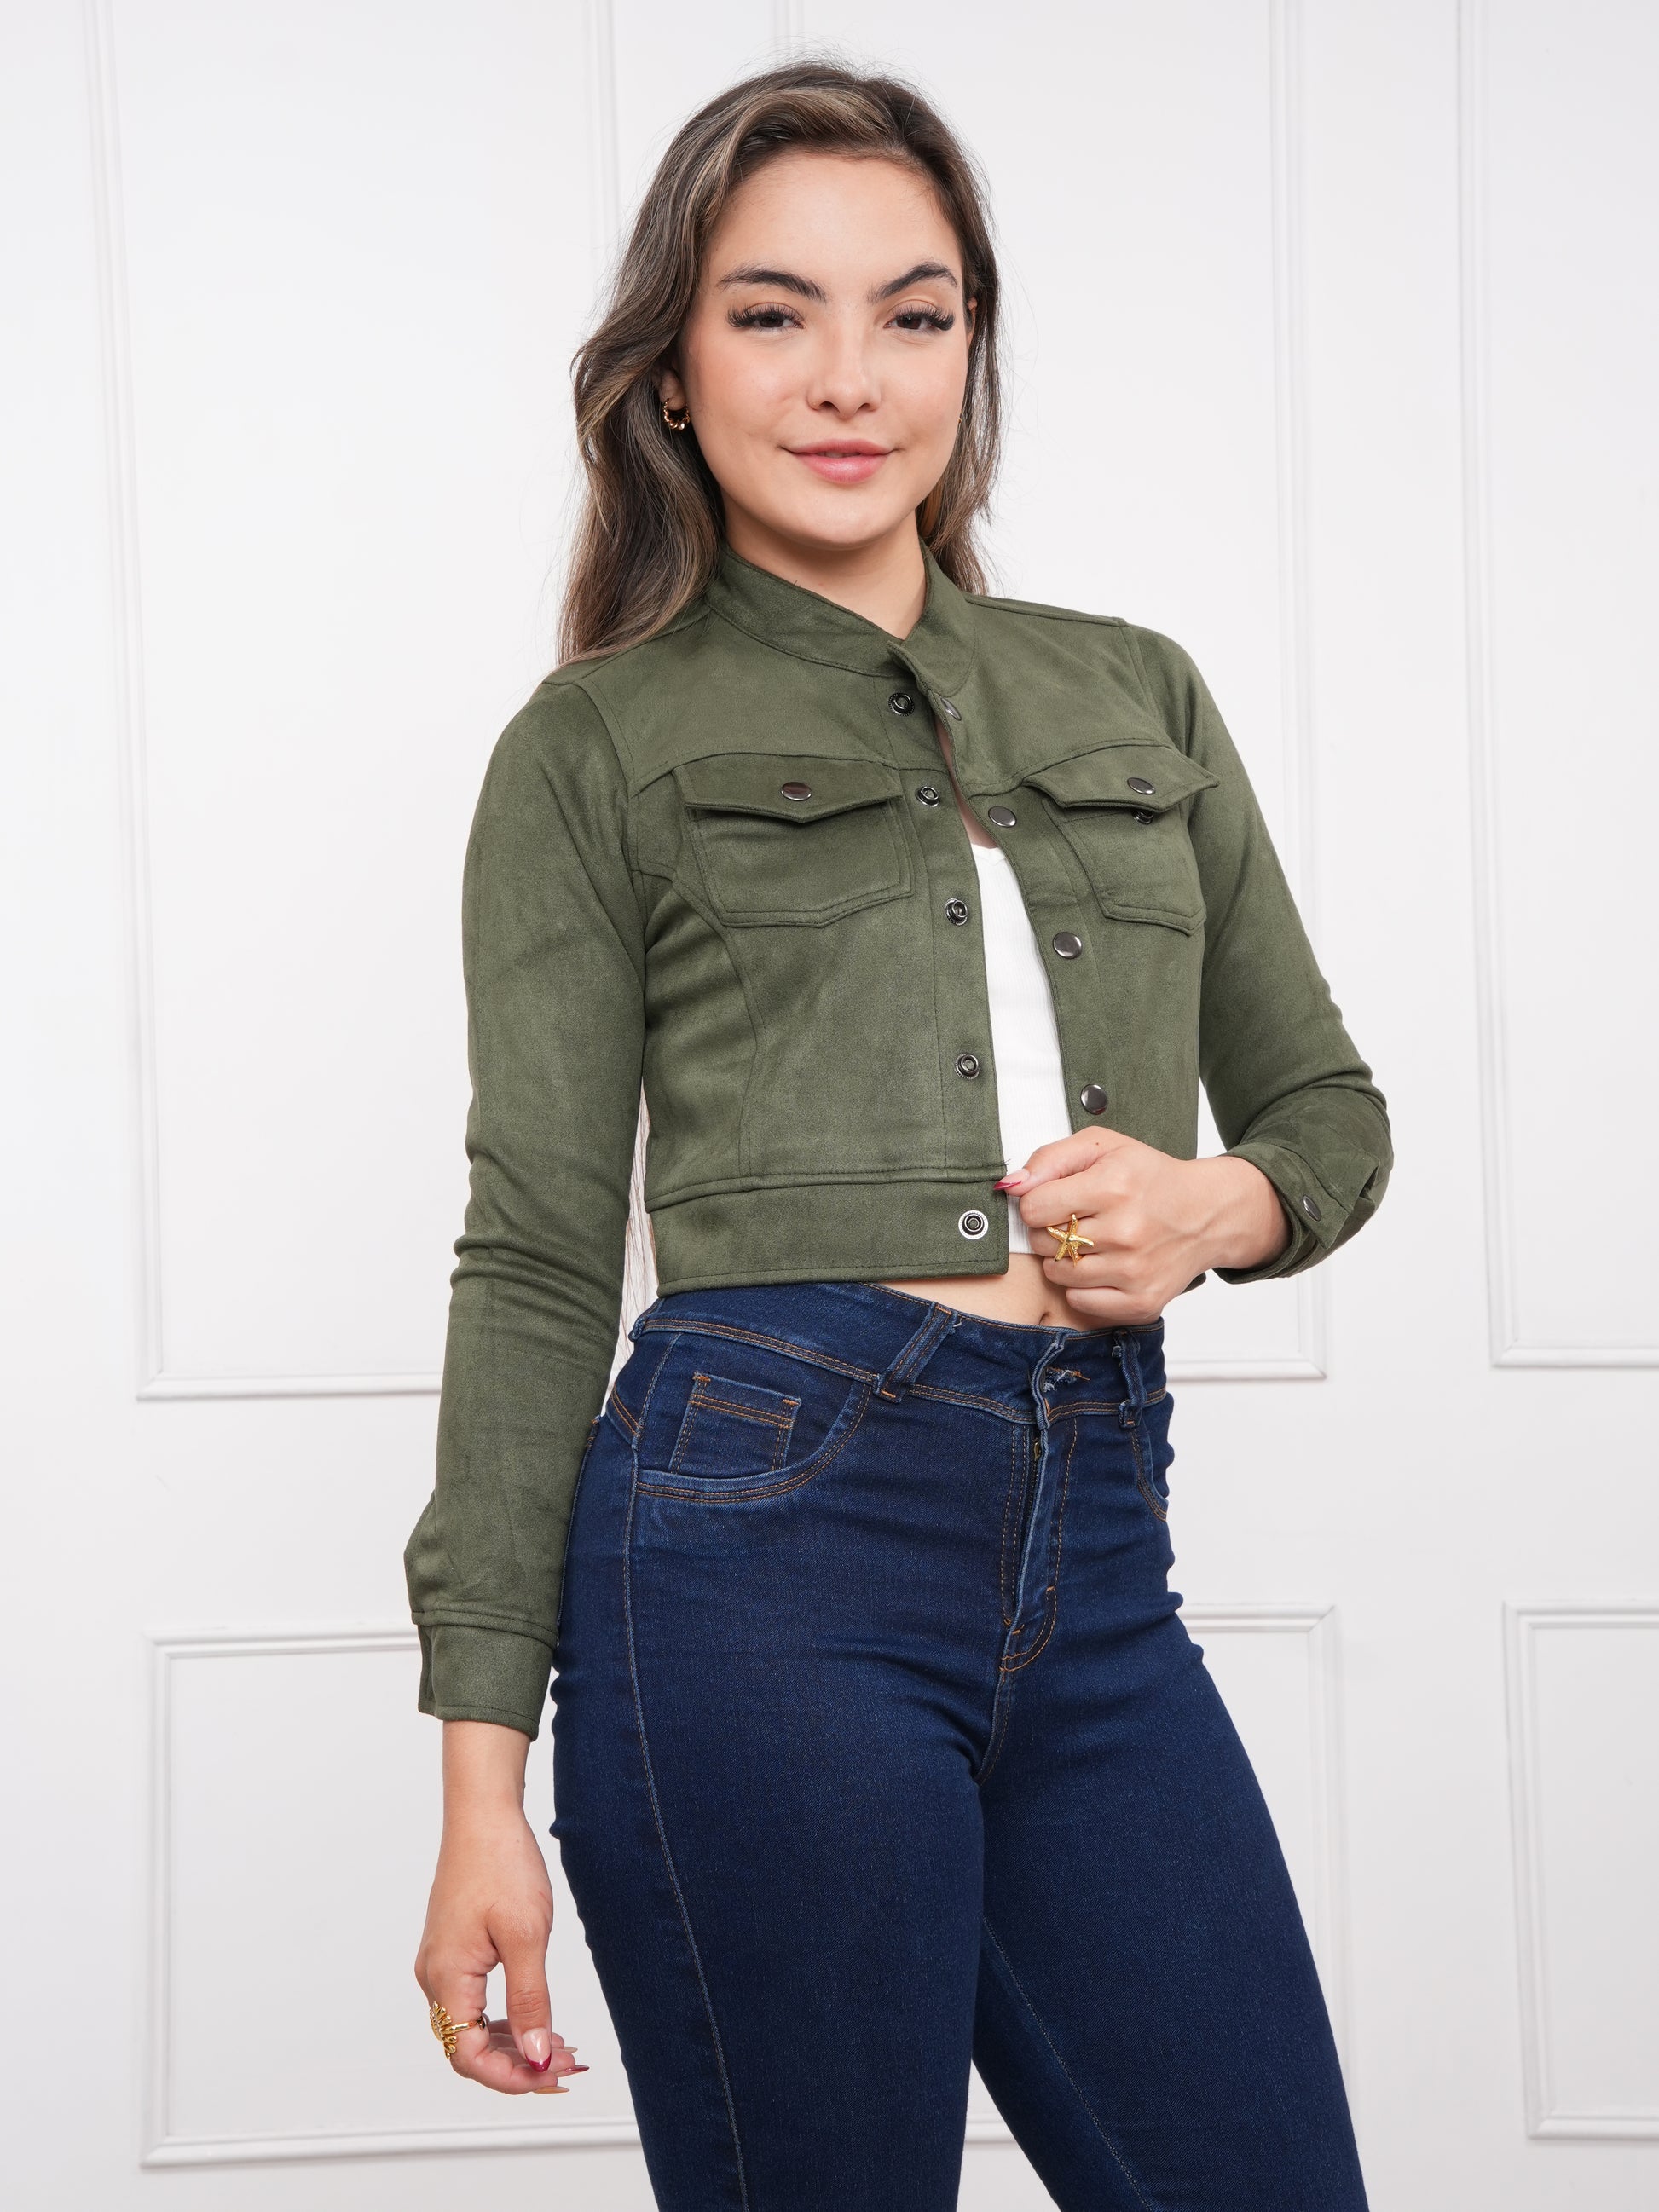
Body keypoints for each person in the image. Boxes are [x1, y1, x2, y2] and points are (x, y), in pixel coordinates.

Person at [404, 56, 1390, 2212]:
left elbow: (1323, 1111)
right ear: (674, 371)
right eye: (773, 314)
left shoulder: (1132, 687)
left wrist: (1212, 1203)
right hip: (758, 1559)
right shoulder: (594, 743)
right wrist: (481, 1782)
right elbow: (537, 1255)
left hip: (1099, 1552)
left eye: (911, 313)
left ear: (970, 349)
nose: (848, 376)